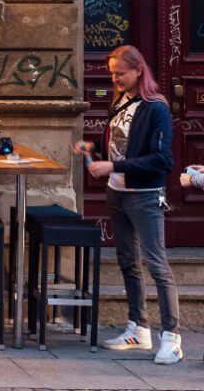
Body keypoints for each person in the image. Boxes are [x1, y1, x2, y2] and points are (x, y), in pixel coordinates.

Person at [75, 45, 181, 365]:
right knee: (128, 262)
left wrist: (113, 167)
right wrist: (94, 148)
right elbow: (123, 144)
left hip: (145, 195)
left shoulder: (156, 107)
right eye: (112, 73)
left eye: (120, 72)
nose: (115, 78)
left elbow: (163, 159)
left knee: (156, 264)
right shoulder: (120, 101)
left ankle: (172, 338)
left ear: (138, 70)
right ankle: (138, 328)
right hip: (117, 192)